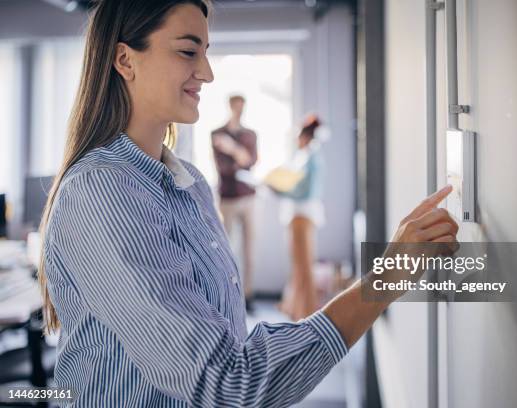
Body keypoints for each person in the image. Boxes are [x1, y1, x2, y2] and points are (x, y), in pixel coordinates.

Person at [37, 1, 459, 407]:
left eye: (206, 53)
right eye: (188, 51)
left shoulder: (190, 183)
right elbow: (229, 383)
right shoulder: (100, 191)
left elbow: (228, 343)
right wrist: (384, 281)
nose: (206, 73)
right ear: (124, 60)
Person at [274, 115, 325, 320]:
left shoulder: (310, 157)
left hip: (302, 215)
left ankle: (307, 313)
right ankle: (296, 309)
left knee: (304, 267)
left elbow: (303, 191)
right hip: (299, 215)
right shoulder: (304, 156)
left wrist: (279, 189)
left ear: (304, 136)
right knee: (298, 266)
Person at [211, 95, 257, 311]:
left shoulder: (250, 134)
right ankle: (229, 296)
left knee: (250, 249)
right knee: (226, 249)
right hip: (227, 198)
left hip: (248, 197)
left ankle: (248, 296)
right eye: (236, 106)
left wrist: (231, 149)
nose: (239, 110)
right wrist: (239, 159)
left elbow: (251, 160)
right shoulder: (217, 134)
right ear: (230, 106)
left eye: (242, 107)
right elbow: (223, 169)